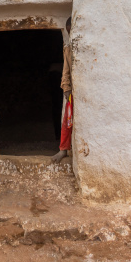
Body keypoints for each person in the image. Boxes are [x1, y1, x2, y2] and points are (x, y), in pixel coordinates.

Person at [51, 16, 73, 164]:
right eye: (69, 32)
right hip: (72, 93)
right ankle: (63, 149)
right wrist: (66, 87)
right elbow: (66, 71)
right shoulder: (68, 49)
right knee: (67, 121)